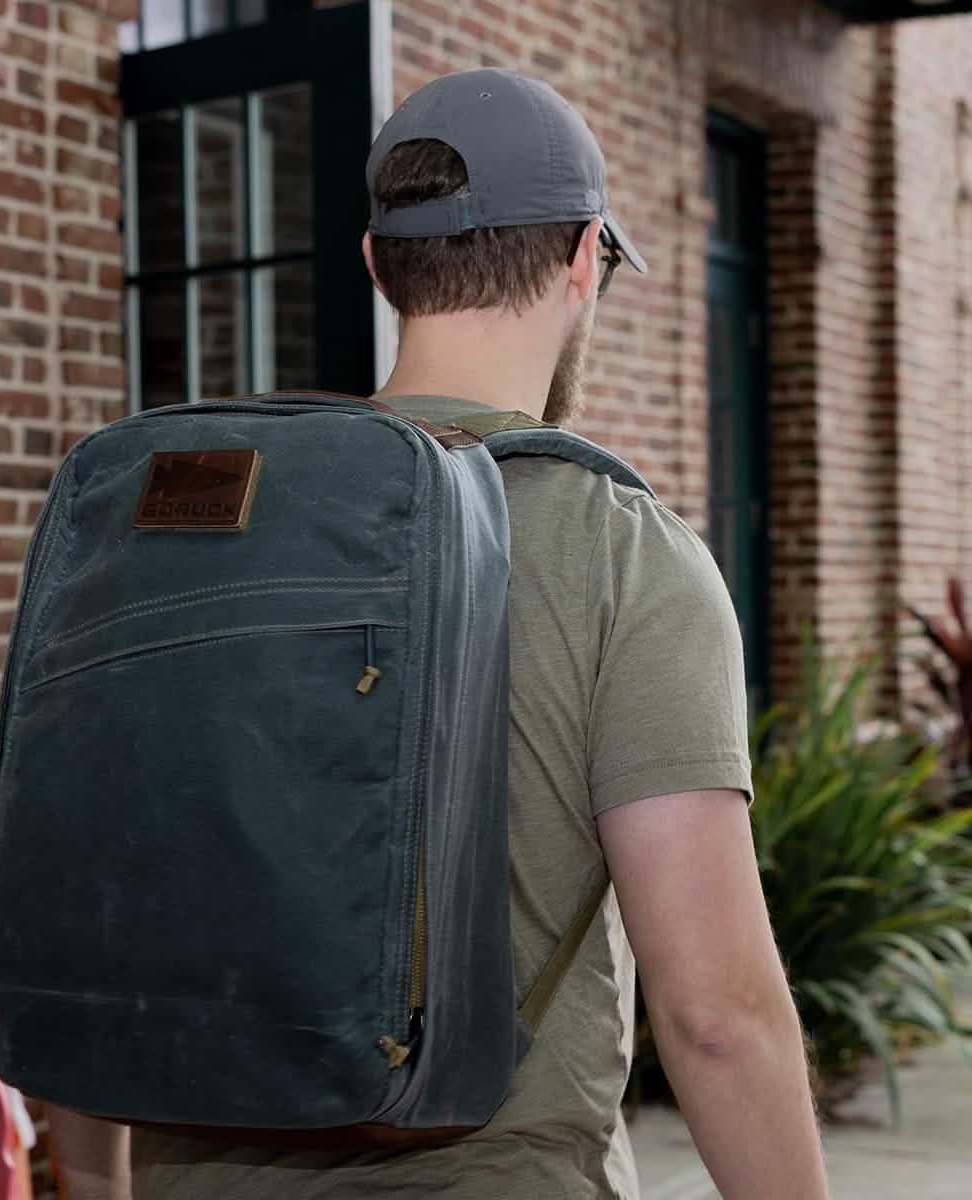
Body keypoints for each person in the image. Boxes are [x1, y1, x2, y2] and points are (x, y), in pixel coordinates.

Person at [49, 68, 829, 1199]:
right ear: (581, 259)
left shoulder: (189, 522)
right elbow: (714, 1015)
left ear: (378, 264)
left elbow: (100, 910)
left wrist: (102, 1186)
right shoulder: (624, 553)